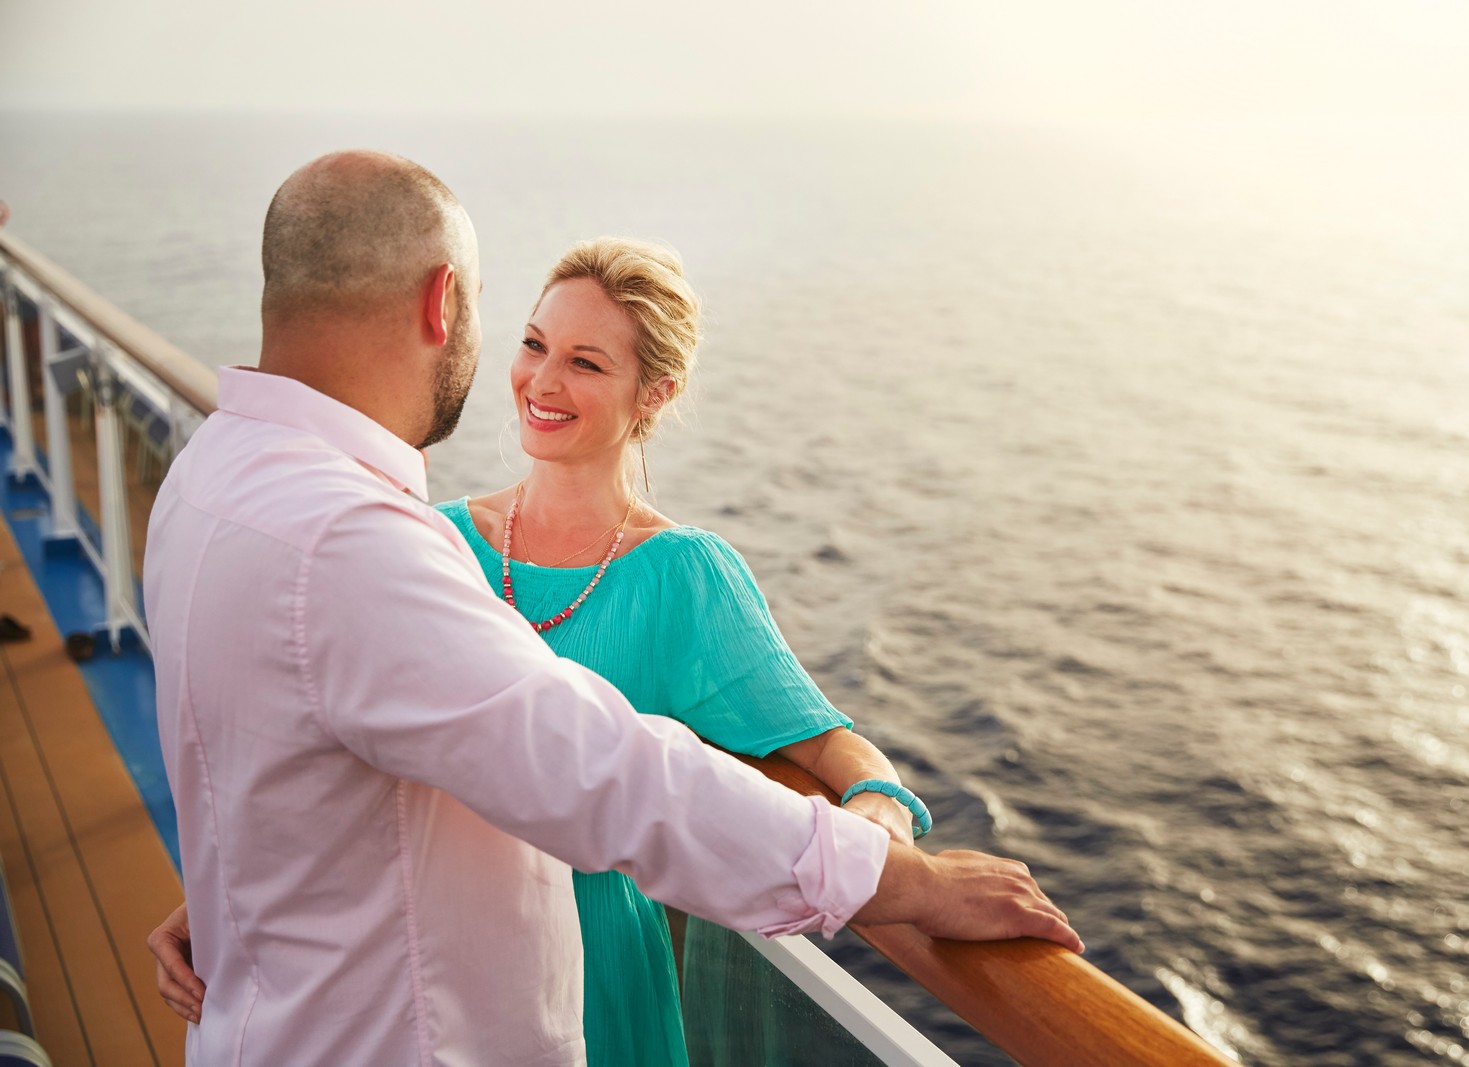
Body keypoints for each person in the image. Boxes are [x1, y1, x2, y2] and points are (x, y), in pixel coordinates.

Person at [144, 150, 1081, 1066]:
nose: (541, 381)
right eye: (531, 341)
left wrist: (244, 884)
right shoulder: (375, 546)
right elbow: (609, 770)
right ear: (443, 302)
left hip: (456, 993)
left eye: (586, 361)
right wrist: (900, 884)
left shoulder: (209, 481)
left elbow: (291, 740)